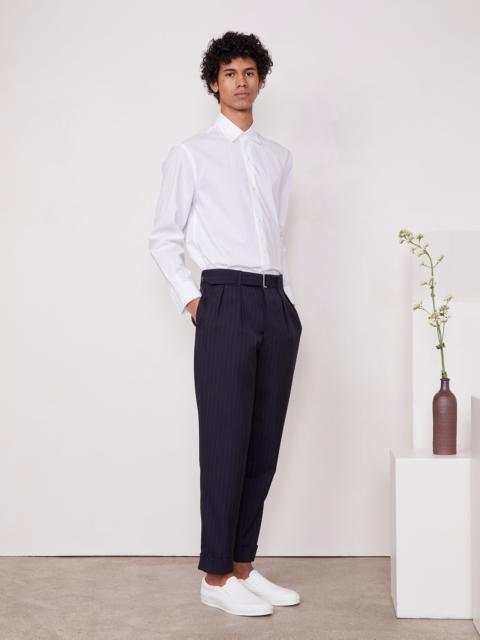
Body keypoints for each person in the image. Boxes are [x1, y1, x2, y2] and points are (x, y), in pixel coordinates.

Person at [148, 30, 302, 617]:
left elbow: (275, 232)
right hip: (224, 301)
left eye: (249, 72)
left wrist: (282, 304)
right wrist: (194, 300)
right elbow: (164, 237)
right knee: (224, 442)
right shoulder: (191, 153)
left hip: (274, 301)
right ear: (214, 83)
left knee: (263, 443)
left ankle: (242, 566)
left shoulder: (278, 158)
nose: (241, 82)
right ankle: (214, 578)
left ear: (261, 81)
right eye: (230, 73)